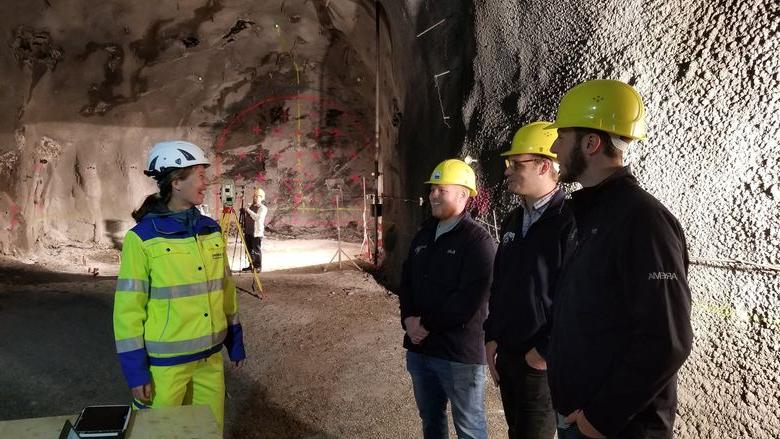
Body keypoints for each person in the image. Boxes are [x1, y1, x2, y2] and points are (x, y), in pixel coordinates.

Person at [546, 80, 693, 438]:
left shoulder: (644, 220)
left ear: (591, 143)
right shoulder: (589, 215)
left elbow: (667, 339)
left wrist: (599, 417)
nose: (553, 147)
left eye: (562, 137)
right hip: (578, 418)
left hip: (616, 428)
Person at [113, 140, 246, 431]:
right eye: (199, 175)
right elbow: (128, 312)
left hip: (209, 360)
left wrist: (234, 340)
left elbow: (224, 289)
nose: (206, 182)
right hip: (165, 367)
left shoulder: (210, 230)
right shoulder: (143, 238)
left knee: (207, 432)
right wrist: (136, 372)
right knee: (159, 433)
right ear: (176, 182)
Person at [484, 121, 574, 439]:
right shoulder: (514, 220)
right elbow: (501, 285)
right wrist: (491, 336)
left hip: (539, 364)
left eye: (516, 163)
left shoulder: (570, 223)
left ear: (544, 166)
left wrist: (544, 352)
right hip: (508, 354)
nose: (507, 170)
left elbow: (578, 299)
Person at [399, 159, 497, 439]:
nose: (433, 195)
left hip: (458, 354)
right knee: (431, 421)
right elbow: (406, 281)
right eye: (432, 190)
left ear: (464, 195)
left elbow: (470, 299)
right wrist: (408, 320)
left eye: (441, 190)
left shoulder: (478, 241)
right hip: (420, 351)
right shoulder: (423, 235)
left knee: (469, 428)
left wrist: (423, 324)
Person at [240, 187, 268, 272]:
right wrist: (244, 210)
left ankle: (258, 266)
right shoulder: (251, 206)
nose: (255, 198)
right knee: (249, 250)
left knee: (256, 251)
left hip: (256, 233)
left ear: (261, 198)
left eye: (257, 196)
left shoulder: (263, 208)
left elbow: (257, 218)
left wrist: (248, 210)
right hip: (248, 232)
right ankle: (251, 265)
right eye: (254, 196)